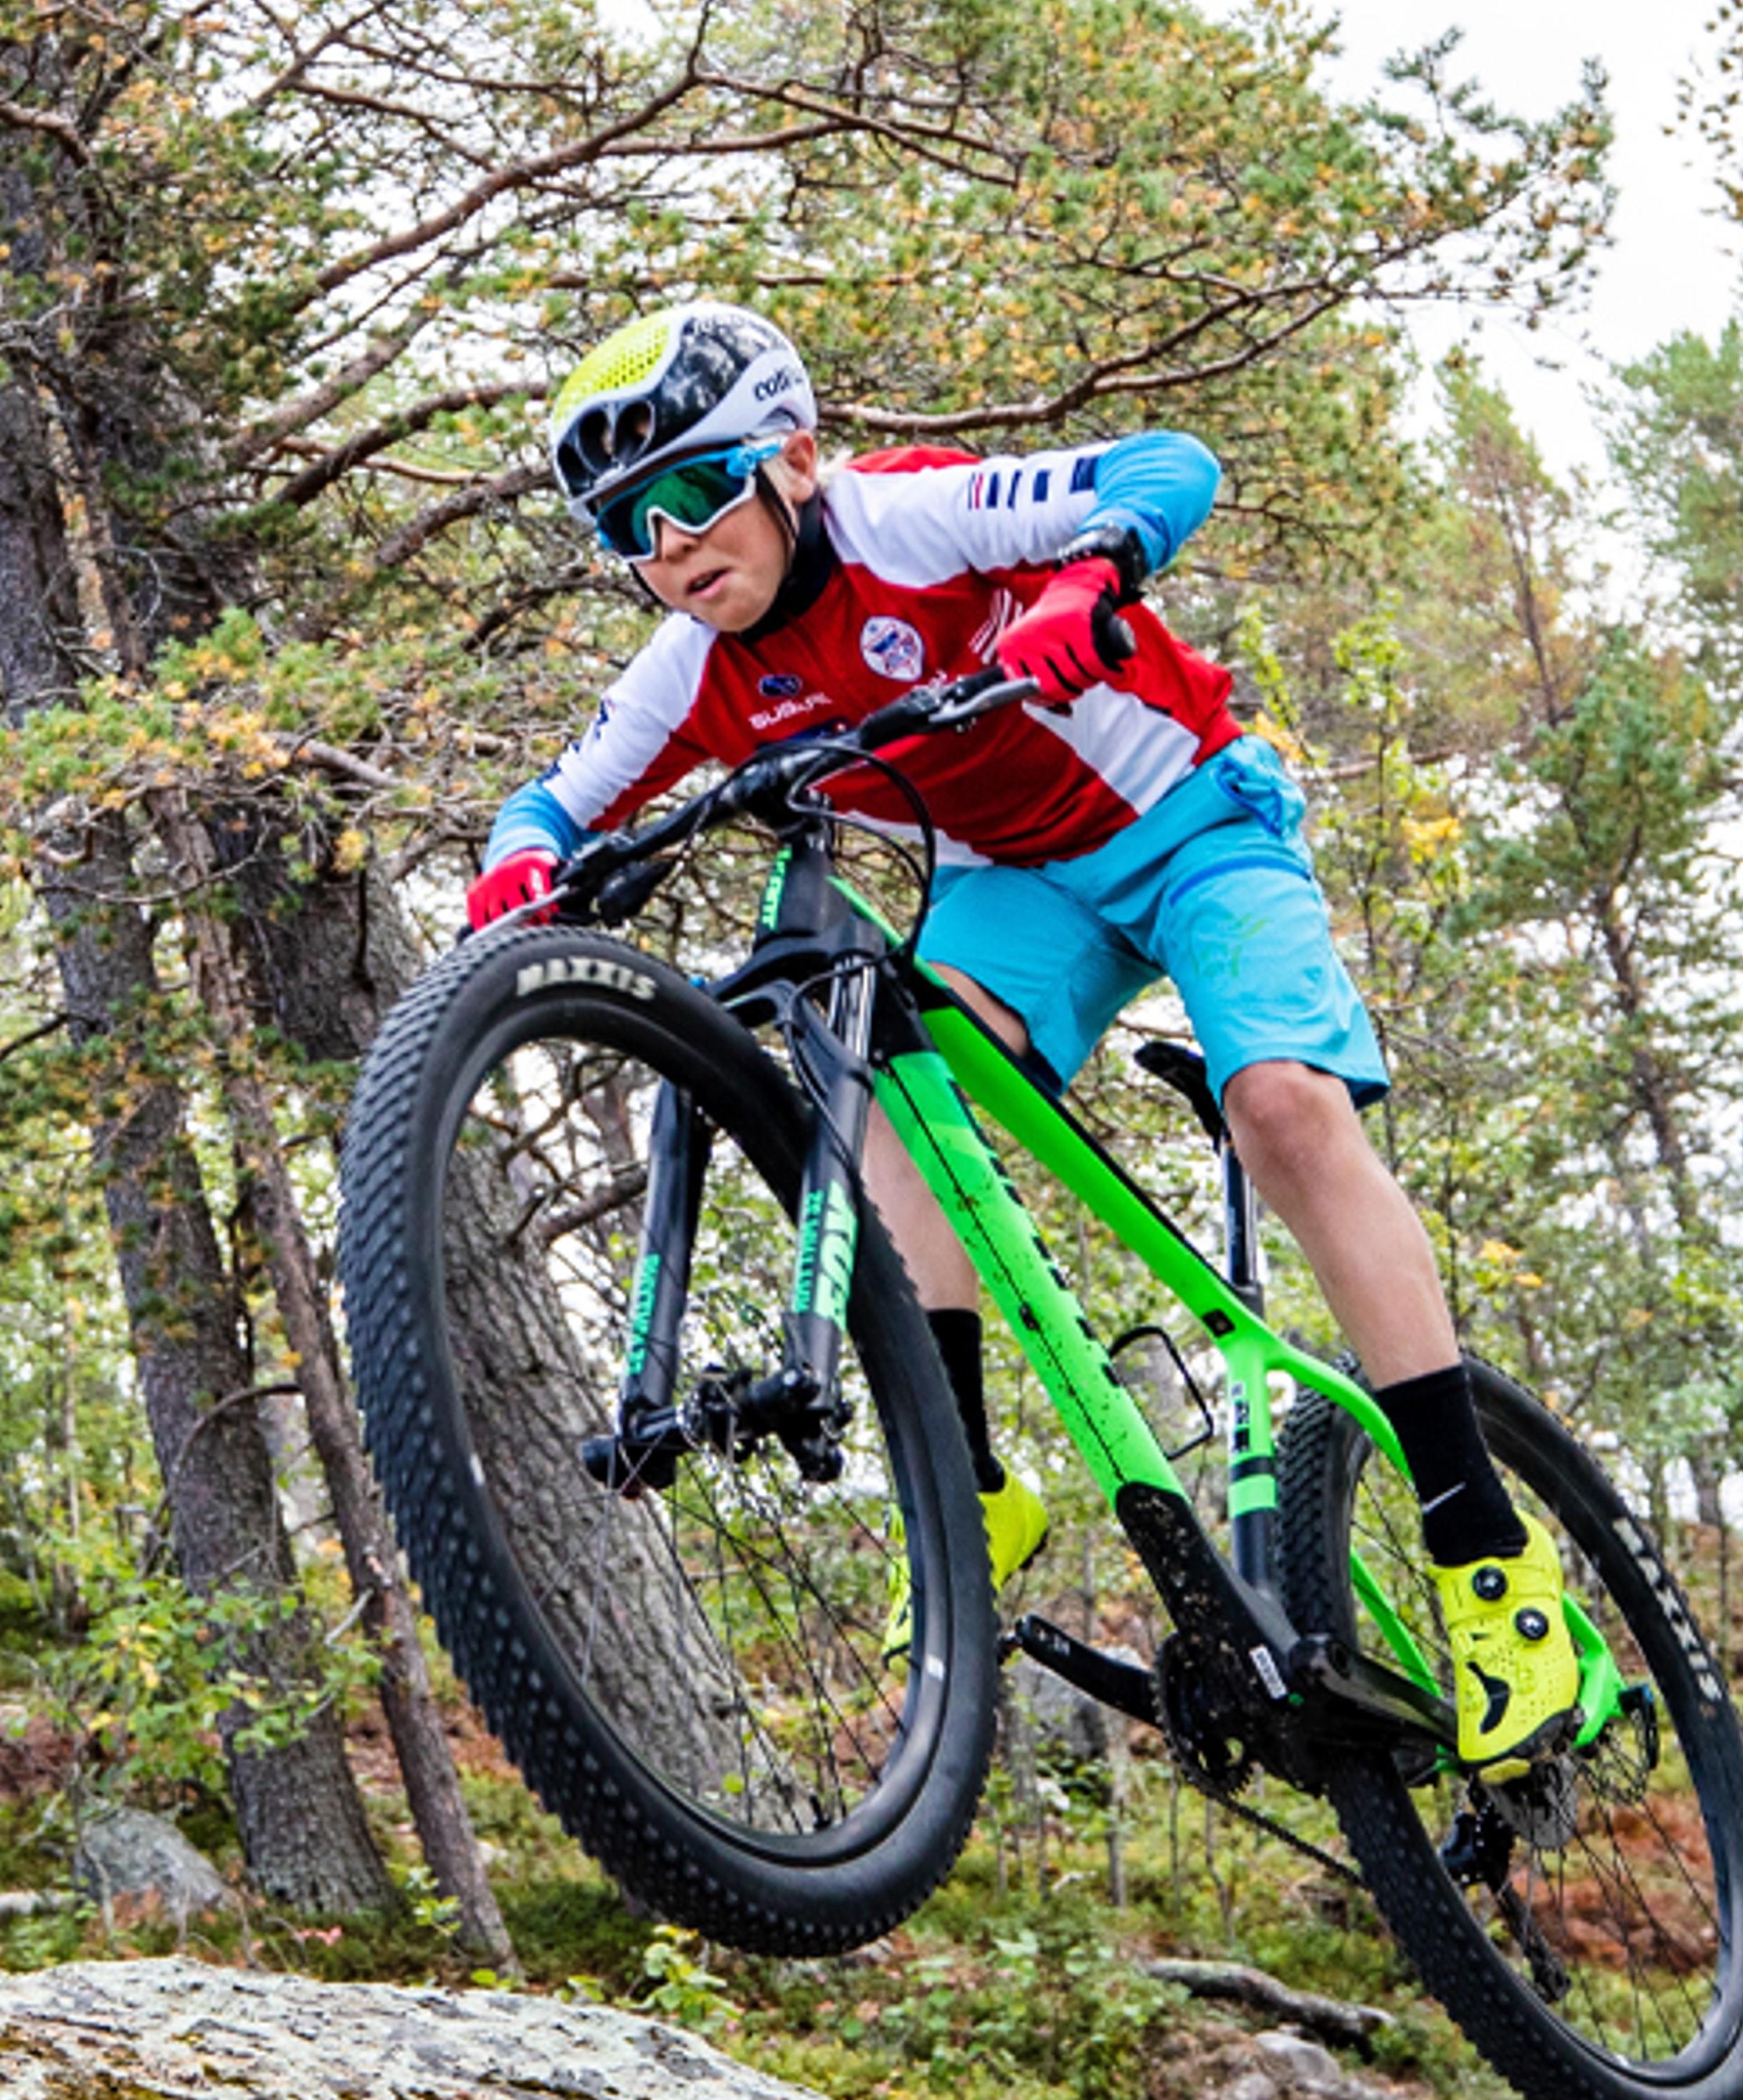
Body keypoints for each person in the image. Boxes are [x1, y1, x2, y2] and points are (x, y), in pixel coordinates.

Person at [466, 294, 1581, 1774]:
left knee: (1285, 1112)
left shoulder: (903, 521)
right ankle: (969, 1486)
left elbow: (1167, 463)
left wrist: (1084, 587)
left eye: (690, 494)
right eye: (628, 530)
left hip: (1190, 823)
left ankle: (1482, 1551)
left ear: (793, 461)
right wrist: (516, 870)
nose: (669, 550)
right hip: (1016, 894)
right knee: (882, 1122)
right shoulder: (692, 666)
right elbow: (550, 805)